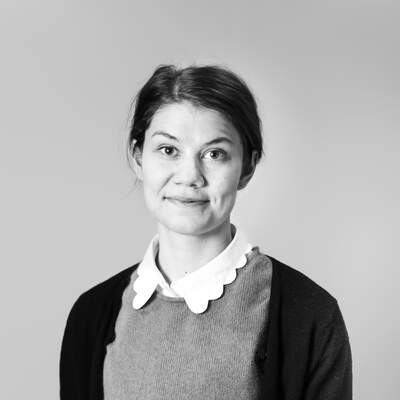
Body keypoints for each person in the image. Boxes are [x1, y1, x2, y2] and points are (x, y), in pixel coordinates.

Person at [59, 64, 352, 399]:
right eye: (168, 150)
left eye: (215, 154)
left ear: (247, 167)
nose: (189, 176)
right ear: (138, 157)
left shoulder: (310, 316)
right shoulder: (91, 315)